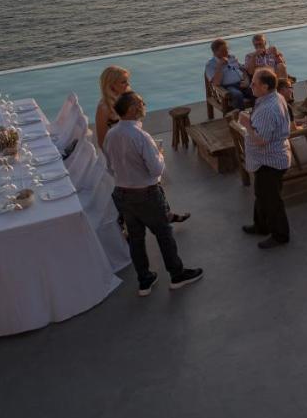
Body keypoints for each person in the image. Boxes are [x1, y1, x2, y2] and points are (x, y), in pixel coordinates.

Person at [102, 91, 203, 295]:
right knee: (164, 234)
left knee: (136, 238)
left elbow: (110, 166)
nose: (144, 104)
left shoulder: (111, 135)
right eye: (140, 102)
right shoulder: (140, 136)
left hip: (122, 193)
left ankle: (144, 280)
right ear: (131, 109)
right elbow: (156, 170)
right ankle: (177, 275)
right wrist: (159, 154)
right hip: (146, 194)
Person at [96, 65, 189, 223]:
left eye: (127, 81)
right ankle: (125, 222)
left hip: (135, 148)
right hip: (120, 156)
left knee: (154, 183)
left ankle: (165, 213)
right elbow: (102, 140)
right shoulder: (104, 107)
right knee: (133, 188)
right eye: (123, 82)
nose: (127, 84)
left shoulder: (128, 99)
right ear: (111, 85)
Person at [239, 68, 293, 249]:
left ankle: (280, 235)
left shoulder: (269, 108)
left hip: (270, 161)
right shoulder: (274, 98)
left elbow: (261, 140)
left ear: (265, 86)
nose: (250, 85)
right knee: (261, 194)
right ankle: (261, 225)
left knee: (271, 199)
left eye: (254, 83)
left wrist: (247, 124)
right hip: (270, 159)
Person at [205, 38, 252, 110]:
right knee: (237, 95)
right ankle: (240, 117)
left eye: (227, 49)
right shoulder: (210, 65)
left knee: (257, 90)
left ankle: (258, 115)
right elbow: (216, 83)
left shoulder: (232, 57)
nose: (226, 52)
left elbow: (243, 70)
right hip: (228, 87)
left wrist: (246, 80)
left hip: (241, 83)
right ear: (215, 52)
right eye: (223, 50)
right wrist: (219, 66)